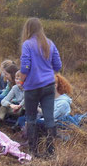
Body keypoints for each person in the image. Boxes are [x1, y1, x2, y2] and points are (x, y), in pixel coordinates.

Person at [20, 17, 62, 157]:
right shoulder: (49, 43)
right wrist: (47, 72)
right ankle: (51, 151)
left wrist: (22, 82)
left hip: (32, 88)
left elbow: (25, 67)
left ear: (28, 29)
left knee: (31, 118)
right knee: (49, 118)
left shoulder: (27, 44)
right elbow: (58, 66)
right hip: (49, 86)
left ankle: (33, 151)